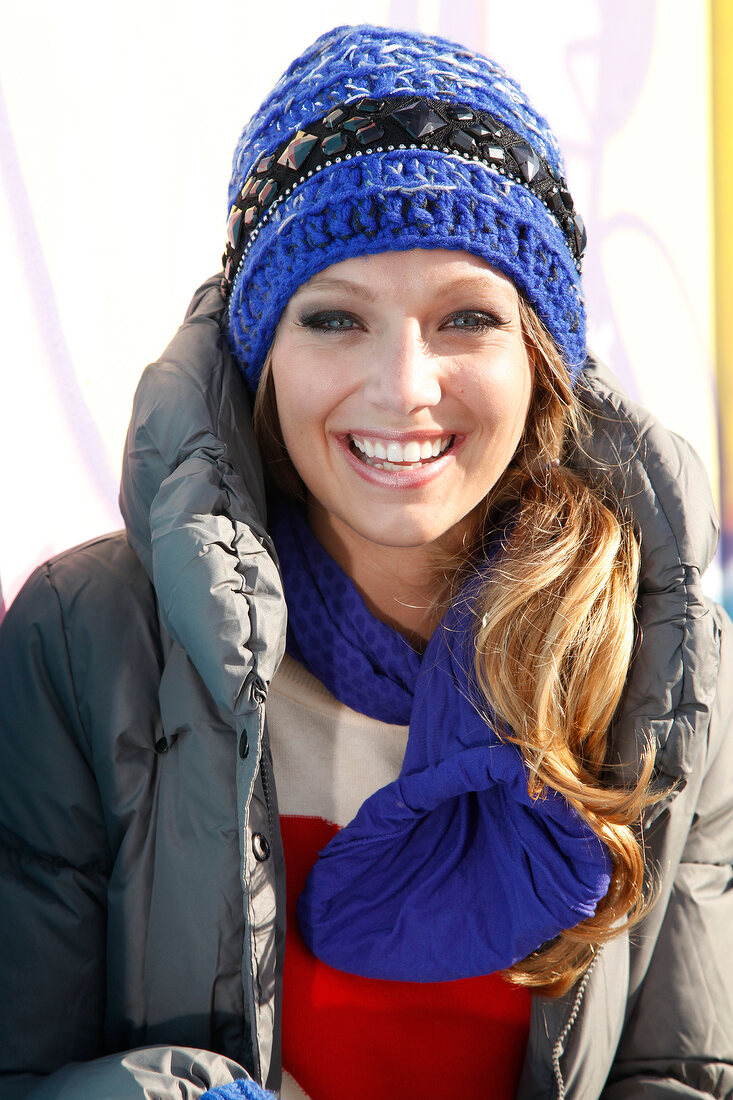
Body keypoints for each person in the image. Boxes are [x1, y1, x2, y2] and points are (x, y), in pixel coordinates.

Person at [1, 22, 732, 1100]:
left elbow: (680, 1069)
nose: (402, 386)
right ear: (262, 351)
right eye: (335, 317)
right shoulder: (87, 633)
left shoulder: (657, 652)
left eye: (466, 319)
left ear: (540, 360)